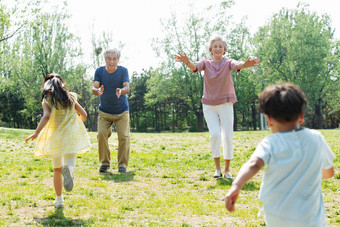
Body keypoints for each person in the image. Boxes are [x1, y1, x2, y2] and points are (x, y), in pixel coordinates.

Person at [225, 83, 335, 226]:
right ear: (301, 116)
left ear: (269, 120)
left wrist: (236, 185)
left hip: (278, 216)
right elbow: (329, 173)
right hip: (311, 218)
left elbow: (253, 164)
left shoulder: (270, 143)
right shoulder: (317, 138)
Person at [174, 36, 260, 179]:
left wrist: (245, 64)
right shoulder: (206, 63)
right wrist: (187, 62)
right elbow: (195, 67)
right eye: (215, 46)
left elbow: (237, 64)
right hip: (208, 104)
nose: (218, 48)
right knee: (214, 135)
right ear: (211, 50)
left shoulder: (228, 63)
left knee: (227, 137)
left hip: (225, 103)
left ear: (224, 50)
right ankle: (217, 170)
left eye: (221, 46)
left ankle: (227, 171)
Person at [25, 73, 91, 208]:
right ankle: (69, 171)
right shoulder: (71, 97)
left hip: (55, 137)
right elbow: (84, 114)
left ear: (46, 85)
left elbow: (46, 116)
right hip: (71, 136)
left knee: (57, 169)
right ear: (62, 84)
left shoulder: (48, 100)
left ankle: (59, 200)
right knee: (70, 162)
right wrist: (77, 125)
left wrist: (36, 132)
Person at [92, 48, 130, 173]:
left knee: (124, 137)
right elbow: (94, 87)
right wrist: (97, 91)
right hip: (104, 112)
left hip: (121, 111)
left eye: (114, 59)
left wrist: (121, 91)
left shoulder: (123, 71)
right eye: (109, 58)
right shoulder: (99, 71)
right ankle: (105, 163)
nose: (111, 61)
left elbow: (127, 87)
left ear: (118, 60)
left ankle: (122, 165)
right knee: (101, 134)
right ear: (105, 60)